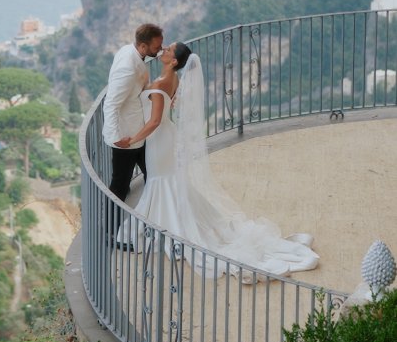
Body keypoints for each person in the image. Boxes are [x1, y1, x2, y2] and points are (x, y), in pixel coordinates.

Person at [119, 43, 319, 279]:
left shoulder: (162, 82)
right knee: (166, 181)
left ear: (174, 61)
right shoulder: (172, 80)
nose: (164, 49)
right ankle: (170, 222)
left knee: (160, 181)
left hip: (158, 140)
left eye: (169, 50)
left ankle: (167, 227)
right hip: (166, 137)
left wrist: (131, 139)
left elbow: (153, 122)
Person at [102, 22, 163, 201]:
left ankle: (153, 209)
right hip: (126, 136)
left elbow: (138, 88)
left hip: (137, 131)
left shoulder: (130, 51)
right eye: (157, 46)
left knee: (152, 172)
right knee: (120, 183)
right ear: (143, 46)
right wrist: (116, 137)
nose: (161, 49)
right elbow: (111, 103)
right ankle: (109, 228)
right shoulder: (128, 68)